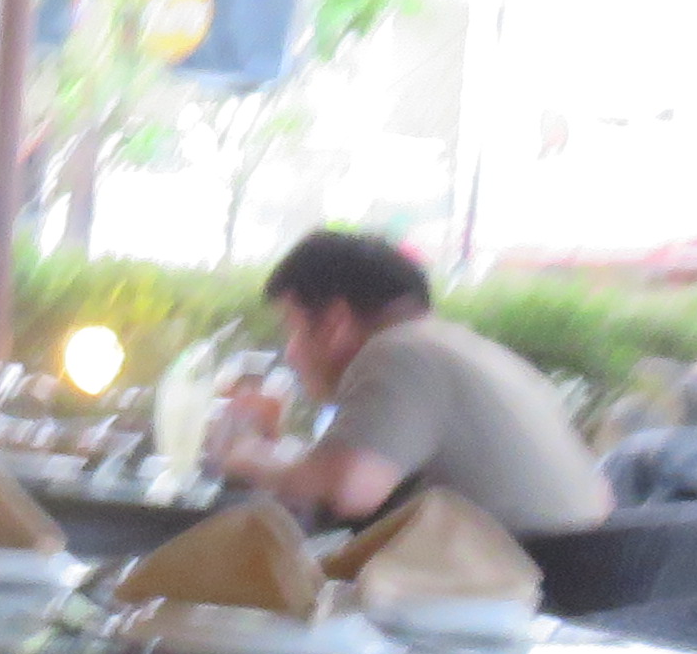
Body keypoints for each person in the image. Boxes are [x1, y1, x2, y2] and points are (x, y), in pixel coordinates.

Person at [209, 228, 611, 531]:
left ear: (334, 322)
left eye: (292, 328)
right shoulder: (474, 351)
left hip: (513, 593)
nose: (291, 352)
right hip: (579, 593)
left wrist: (245, 456)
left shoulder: (399, 351)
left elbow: (349, 489)